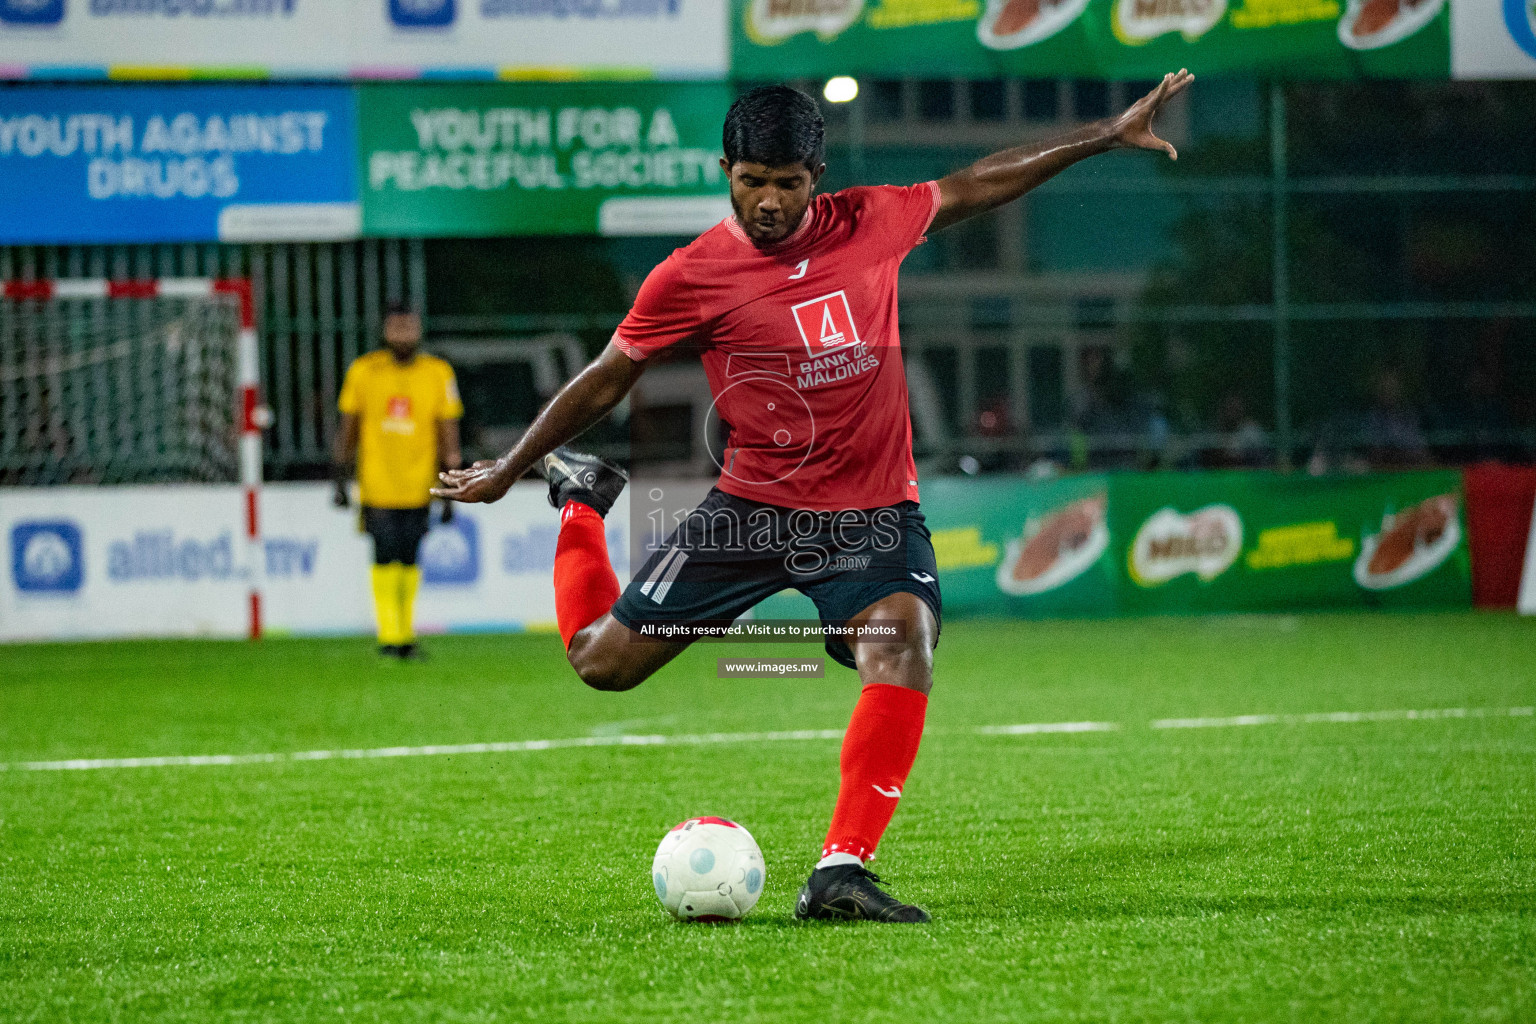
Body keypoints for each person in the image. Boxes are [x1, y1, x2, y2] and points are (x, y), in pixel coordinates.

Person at [434, 72, 1194, 921]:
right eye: (750, 181)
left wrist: (1102, 132)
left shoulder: (872, 222)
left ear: (816, 175)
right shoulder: (689, 276)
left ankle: (840, 871)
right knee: (600, 664)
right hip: (750, 509)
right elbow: (612, 376)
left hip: (872, 514)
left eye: (786, 184)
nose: (766, 201)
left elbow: (977, 183)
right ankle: (582, 499)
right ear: (726, 168)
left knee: (902, 639)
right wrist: (512, 465)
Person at [334, 300, 463, 660]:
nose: (403, 334)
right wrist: (340, 477)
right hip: (377, 484)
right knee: (383, 553)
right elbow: (349, 427)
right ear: (384, 331)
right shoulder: (364, 371)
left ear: (419, 330)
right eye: (397, 327)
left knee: (410, 556)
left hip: (420, 485)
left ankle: (404, 634)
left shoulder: (438, 373)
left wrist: (450, 489)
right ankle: (389, 634)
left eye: (409, 327)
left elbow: (448, 432)